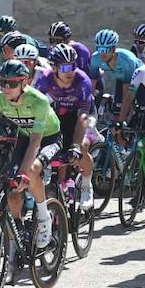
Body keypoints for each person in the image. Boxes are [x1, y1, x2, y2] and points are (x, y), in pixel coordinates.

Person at [0, 60, 62, 257]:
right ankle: (17, 228)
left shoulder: (39, 101)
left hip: (49, 138)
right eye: (3, 82)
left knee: (31, 171)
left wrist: (24, 174)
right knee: (12, 191)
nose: (7, 87)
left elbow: (36, 141)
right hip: (24, 137)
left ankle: (44, 218)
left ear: (24, 83)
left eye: (13, 83)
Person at [36, 43, 98, 209]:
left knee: (82, 147)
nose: (70, 71)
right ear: (55, 67)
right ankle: (61, 181)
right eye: (64, 67)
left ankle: (86, 185)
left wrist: (76, 145)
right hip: (60, 115)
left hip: (84, 114)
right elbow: (37, 111)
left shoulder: (82, 80)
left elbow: (83, 116)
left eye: (73, 65)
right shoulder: (44, 80)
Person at [90, 28, 140, 106]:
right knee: (117, 110)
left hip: (139, 79)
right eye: (99, 49)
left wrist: (122, 117)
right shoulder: (95, 58)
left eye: (106, 49)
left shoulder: (127, 60)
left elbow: (127, 90)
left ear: (114, 49)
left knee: (138, 108)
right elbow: (93, 81)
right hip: (121, 78)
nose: (102, 53)